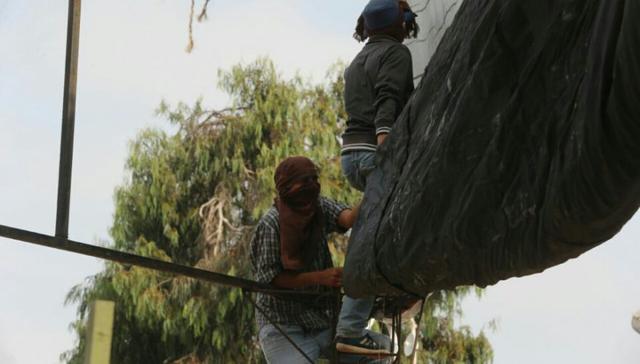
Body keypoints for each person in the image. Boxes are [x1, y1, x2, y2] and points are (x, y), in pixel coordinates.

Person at [336, 0, 419, 355]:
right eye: (405, 20)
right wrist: (386, 146)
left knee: (371, 228)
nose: (408, 26)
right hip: (375, 153)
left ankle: (375, 302)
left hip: (351, 156)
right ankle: (353, 327)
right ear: (396, 24)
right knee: (371, 239)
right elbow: (387, 99)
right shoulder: (396, 55)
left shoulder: (357, 62)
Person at [250, 156, 389, 363]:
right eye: (304, 181)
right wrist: (320, 278)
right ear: (287, 187)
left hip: (320, 320)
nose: (312, 185)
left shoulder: (318, 207)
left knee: (382, 350)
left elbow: (349, 218)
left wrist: (375, 187)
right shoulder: (271, 224)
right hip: (281, 324)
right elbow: (269, 280)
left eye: (314, 179)